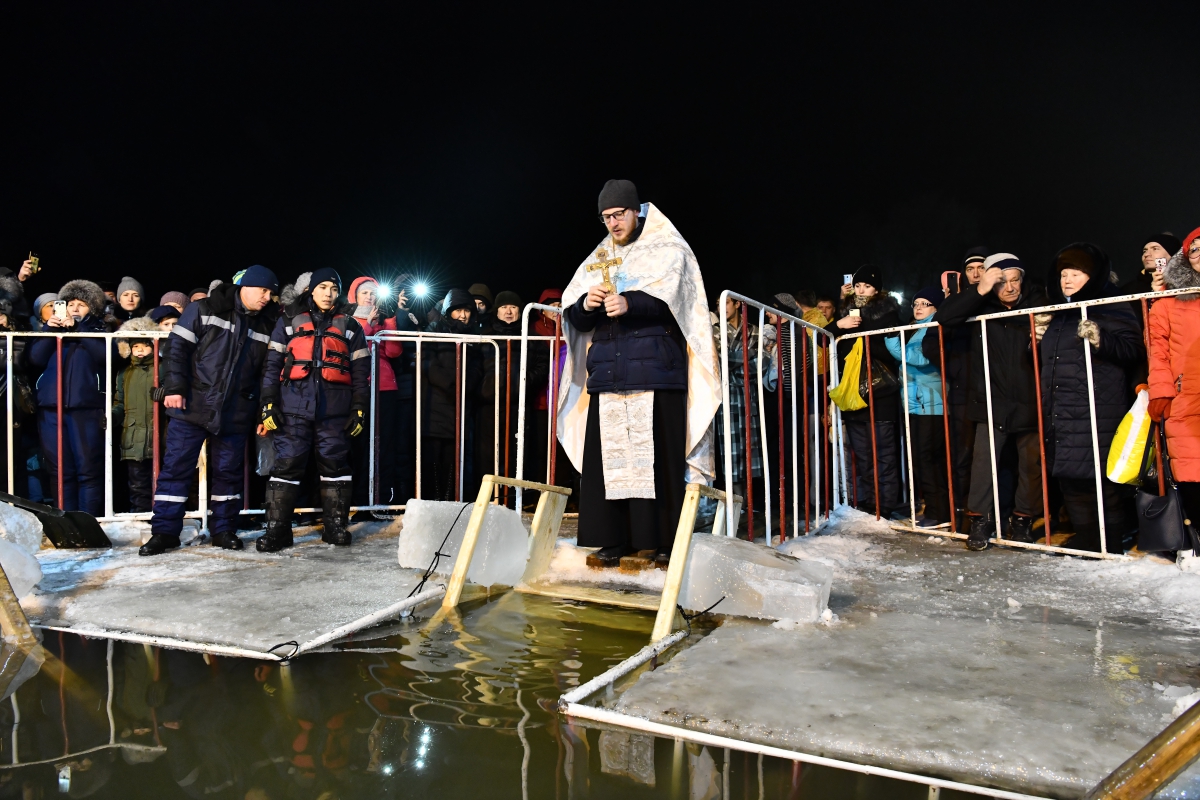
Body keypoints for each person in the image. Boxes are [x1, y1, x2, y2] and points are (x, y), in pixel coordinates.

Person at [560, 179, 719, 567]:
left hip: (655, 370)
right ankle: (613, 539)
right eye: (606, 217)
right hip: (609, 373)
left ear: (636, 210)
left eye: (619, 214)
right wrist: (586, 302)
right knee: (610, 460)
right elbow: (575, 316)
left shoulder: (669, 249)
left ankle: (663, 540)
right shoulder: (600, 256)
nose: (613, 224)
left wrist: (630, 303)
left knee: (658, 462)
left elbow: (681, 304)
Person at [139, 266, 280, 556]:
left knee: (228, 474)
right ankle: (165, 532)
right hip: (193, 405)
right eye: (263, 290)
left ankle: (224, 529)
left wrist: (261, 413)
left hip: (236, 411)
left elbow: (266, 373)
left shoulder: (267, 324)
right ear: (246, 287)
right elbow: (176, 349)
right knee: (176, 469)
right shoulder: (202, 309)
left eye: (271, 292)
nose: (267, 297)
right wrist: (175, 388)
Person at [1038, 244, 1144, 553]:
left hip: (1097, 408)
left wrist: (1101, 338)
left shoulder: (1111, 305)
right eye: (1063, 274)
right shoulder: (1059, 313)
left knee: (1101, 483)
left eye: (1076, 274)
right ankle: (1086, 542)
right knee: (1070, 479)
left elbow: (1133, 350)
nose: (1067, 280)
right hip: (1061, 410)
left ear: (1093, 276)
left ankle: (1108, 544)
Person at [937, 253, 1047, 550]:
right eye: (1002, 282)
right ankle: (980, 521)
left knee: (1030, 465)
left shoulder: (1038, 304)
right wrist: (981, 288)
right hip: (991, 398)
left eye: (1015, 280)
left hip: (1029, 397)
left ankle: (1022, 521)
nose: (1010, 288)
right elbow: (944, 319)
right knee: (983, 464)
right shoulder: (979, 306)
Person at [258, 268, 371, 551]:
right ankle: (278, 532)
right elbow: (272, 365)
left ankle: (335, 528)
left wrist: (358, 408)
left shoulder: (351, 326)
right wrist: (268, 403)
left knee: (336, 466)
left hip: (335, 410)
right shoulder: (288, 320)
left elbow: (361, 372)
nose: (328, 293)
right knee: (286, 466)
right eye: (323, 287)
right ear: (311, 289)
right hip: (293, 407)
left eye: (334, 289)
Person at [25, 280, 114, 515]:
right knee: (60, 470)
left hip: (86, 408)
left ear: (92, 307)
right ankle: (66, 524)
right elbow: (35, 358)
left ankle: (88, 522)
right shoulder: (52, 331)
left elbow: (105, 356)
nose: (75, 308)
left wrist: (79, 330)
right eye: (70, 303)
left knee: (88, 469)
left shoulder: (99, 332)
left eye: (81, 304)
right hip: (51, 408)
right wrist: (49, 331)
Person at [827, 264, 904, 519]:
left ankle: (887, 503)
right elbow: (822, 338)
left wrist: (855, 325)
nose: (861, 290)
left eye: (867, 286)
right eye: (858, 285)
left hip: (881, 392)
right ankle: (871, 503)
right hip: (853, 393)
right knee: (863, 454)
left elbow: (888, 349)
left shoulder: (888, 312)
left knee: (883, 453)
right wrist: (841, 322)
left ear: (877, 290)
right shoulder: (846, 313)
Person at [921, 247, 989, 527]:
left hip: (997, 388)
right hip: (964, 390)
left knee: (996, 455)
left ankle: (996, 514)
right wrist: (955, 369)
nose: (976, 274)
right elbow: (931, 341)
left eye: (981, 268)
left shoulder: (1000, 297)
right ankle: (962, 513)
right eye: (970, 269)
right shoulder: (959, 302)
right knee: (963, 455)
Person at [1149, 227, 1200, 542]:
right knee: (1192, 471)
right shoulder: (1168, 301)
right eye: (1194, 250)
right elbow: (1158, 350)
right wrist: (1162, 391)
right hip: (1187, 396)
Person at [886, 287, 950, 526]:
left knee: (929, 457)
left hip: (931, 402)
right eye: (916, 304)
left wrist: (892, 342)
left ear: (935, 308)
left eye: (926, 303)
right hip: (918, 402)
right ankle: (934, 509)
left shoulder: (934, 326)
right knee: (924, 458)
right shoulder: (918, 328)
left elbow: (923, 359)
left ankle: (939, 512)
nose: (919, 308)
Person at [714, 295, 776, 529]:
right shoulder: (714, 331)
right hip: (725, 397)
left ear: (737, 304)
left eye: (726, 304)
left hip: (748, 395)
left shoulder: (754, 330)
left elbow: (761, 362)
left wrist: (738, 363)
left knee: (748, 450)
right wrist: (744, 359)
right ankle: (734, 507)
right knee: (729, 451)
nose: (723, 309)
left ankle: (749, 506)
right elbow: (717, 361)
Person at [346, 275, 404, 507]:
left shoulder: (383, 320)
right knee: (359, 445)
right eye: (365, 293)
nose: (369, 297)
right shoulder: (348, 320)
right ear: (355, 296)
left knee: (383, 445)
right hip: (358, 388)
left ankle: (381, 498)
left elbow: (394, 351)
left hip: (385, 388)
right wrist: (368, 324)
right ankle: (359, 499)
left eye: (373, 293)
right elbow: (352, 349)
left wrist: (389, 320)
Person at [422, 288, 484, 501]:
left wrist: (466, 385)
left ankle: (450, 502)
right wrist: (450, 384)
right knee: (433, 460)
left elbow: (477, 366)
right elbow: (427, 363)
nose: (463, 315)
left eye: (467, 310)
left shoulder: (475, 335)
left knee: (453, 458)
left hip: (461, 404)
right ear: (449, 311)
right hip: (436, 405)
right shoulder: (435, 329)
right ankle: (433, 502)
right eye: (458, 310)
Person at [113, 317, 161, 513]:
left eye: (145, 345)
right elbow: (120, 402)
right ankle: (139, 519)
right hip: (132, 438)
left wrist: (164, 392)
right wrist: (113, 416)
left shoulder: (162, 369)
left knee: (161, 483)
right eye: (136, 346)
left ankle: (161, 520)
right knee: (137, 485)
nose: (140, 350)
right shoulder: (124, 373)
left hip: (158, 436)